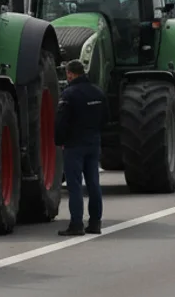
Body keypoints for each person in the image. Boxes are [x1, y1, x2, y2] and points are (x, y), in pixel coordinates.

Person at [55, 59, 108, 236]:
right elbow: (105, 118)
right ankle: (95, 223)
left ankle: (76, 224)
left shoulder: (69, 94)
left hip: (74, 144)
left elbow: (61, 121)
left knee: (75, 185)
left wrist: (59, 140)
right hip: (93, 142)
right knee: (93, 183)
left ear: (70, 73)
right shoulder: (98, 92)